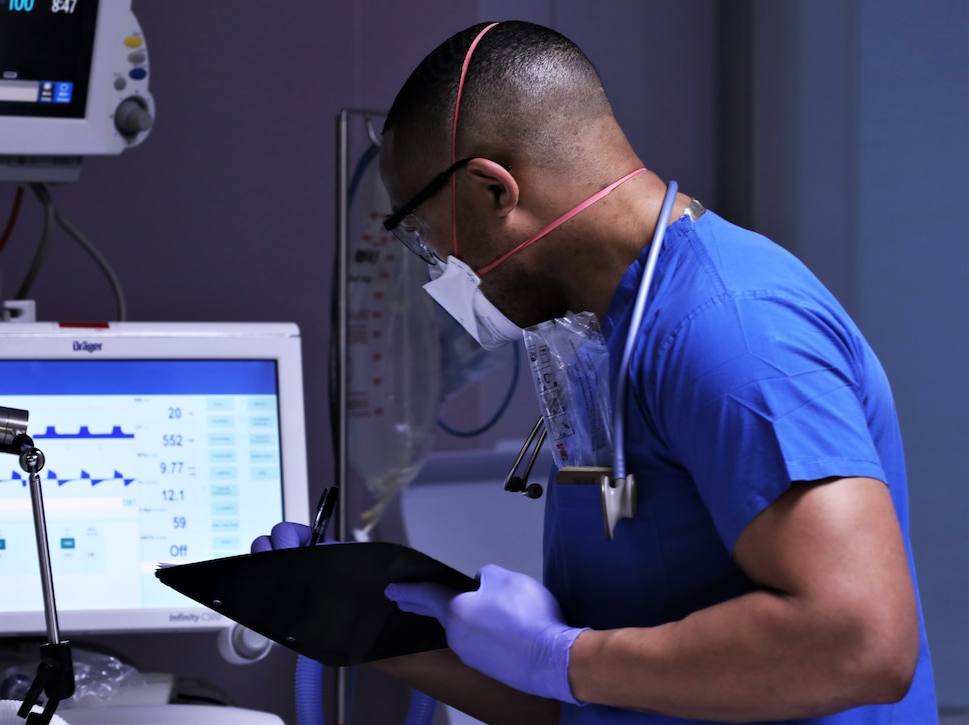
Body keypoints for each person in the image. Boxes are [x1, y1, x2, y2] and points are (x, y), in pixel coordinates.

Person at [254, 20, 938, 724]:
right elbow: (591, 696)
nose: (440, 276)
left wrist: (560, 657)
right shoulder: (601, 344)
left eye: (429, 239)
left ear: (495, 190)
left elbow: (861, 643)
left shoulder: (733, 331)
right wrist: (360, 618)